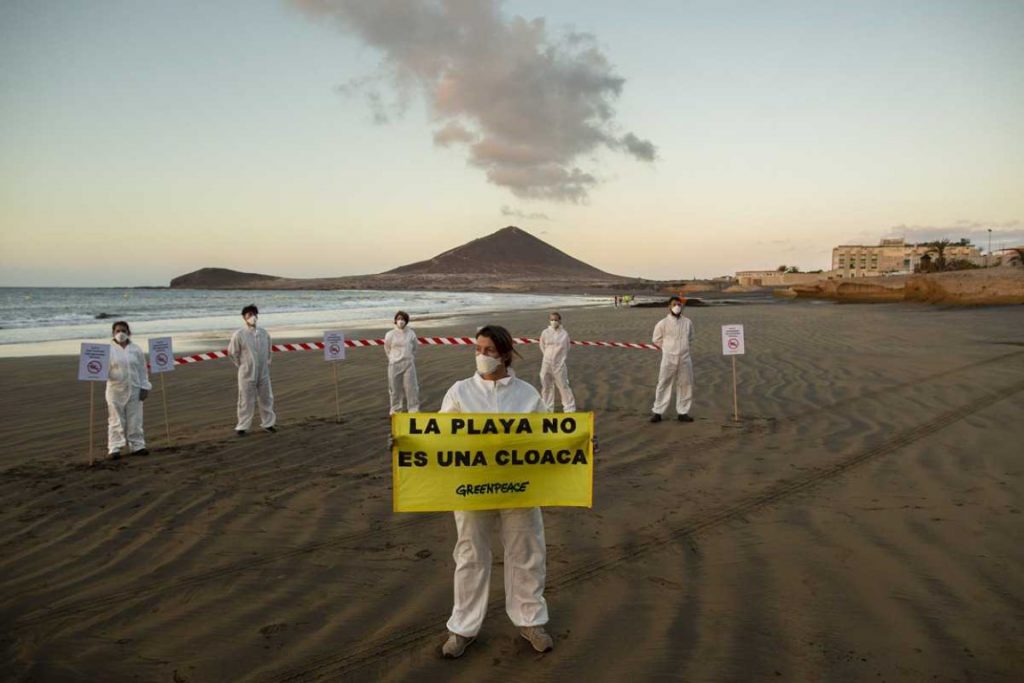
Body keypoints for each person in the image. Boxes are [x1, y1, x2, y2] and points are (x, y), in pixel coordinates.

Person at [438, 325, 554, 659]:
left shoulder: (527, 394)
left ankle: (531, 620)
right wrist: (405, 443)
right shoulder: (460, 392)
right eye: (477, 349)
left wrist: (582, 444)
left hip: (520, 486)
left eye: (488, 350)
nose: (481, 356)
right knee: (470, 554)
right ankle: (462, 627)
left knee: (526, 550)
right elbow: (440, 437)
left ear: (504, 354)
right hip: (472, 486)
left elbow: (550, 437)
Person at [228, 304, 276, 436]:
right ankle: (242, 426)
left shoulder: (264, 333)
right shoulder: (239, 334)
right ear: (244, 318)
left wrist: (266, 363)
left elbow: (269, 351)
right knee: (245, 399)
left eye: (254, 315)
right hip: (246, 372)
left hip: (263, 372)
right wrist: (242, 365)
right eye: (249, 315)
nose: (252, 317)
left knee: (266, 397)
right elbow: (233, 353)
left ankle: (269, 423)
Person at [106, 320, 151, 459]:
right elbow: (102, 370)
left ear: (129, 333)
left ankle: (137, 445)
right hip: (115, 390)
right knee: (116, 419)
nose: (121, 334)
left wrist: (145, 386)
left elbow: (142, 370)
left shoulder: (136, 349)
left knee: (135, 418)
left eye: (124, 331)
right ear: (113, 333)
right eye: (118, 331)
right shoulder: (107, 350)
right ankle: (114, 447)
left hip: (135, 388)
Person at [650, 296, 695, 423]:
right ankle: (658, 412)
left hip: (685, 358)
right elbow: (656, 339)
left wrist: (683, 348)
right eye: (674, 304)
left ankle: (683, 412)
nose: (677, 307)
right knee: (663, 383)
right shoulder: (662, 323)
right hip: (668, 358)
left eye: (679, 304)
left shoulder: (688, 322)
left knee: (686, 384)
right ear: (669, 306)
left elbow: (691, 337)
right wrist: (668, 348)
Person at [538, 312, 576, 413]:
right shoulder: (545, 332)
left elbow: (567, 347)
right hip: (546, 363)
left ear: (559, 320)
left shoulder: (564, 334)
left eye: (555, 320)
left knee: (563, 385)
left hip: (559, 364)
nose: (553, 321)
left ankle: (569, 408)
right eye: (551, 319)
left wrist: (560, 359)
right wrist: (547, 356)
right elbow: (542, 345)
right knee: (546, 385)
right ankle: (547, 408)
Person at [384, 310, 420, 414]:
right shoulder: (390, 334)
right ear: (395, 320)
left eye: (403, 319)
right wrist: (392, 359)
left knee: (411, 388)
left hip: (408, 364)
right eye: (399, 319)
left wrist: (410, 357)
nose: (401, 321)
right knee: (394, 389)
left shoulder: (411, 333)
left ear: (406, 321)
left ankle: (413, 409)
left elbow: (415, 348)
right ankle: (395, 410)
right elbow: (387, 348)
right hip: (394, 365)